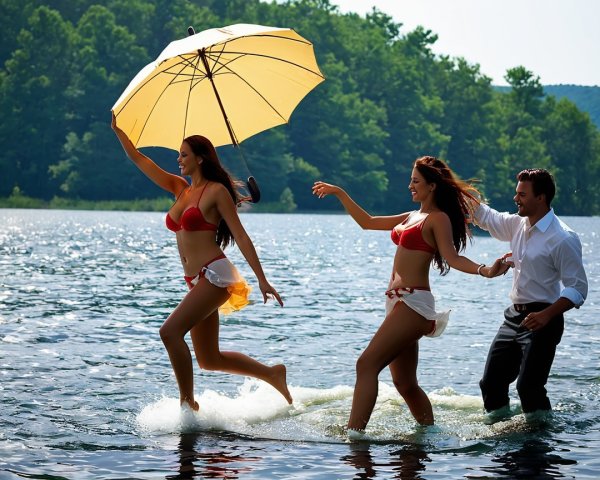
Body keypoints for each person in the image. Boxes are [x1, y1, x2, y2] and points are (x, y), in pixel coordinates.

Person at [312, 156, 507, 438]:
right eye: (411, 180)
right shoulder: (411, 216)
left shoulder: (437, 219)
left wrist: (485, 270)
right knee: (404, 383)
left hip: (413, 303)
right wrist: (340, 192)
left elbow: (452, 258)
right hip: (396, 303)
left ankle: (353, 436)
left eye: (416, 181)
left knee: (366, 364)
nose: (410, 185)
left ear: (432, 185)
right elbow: (366, 222)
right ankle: (431, 432)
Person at [111, 113, 292, 411]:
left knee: (169, 332)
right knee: (209, 359)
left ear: (201, 158)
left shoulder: (216, 192)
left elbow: (242, 237)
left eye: (184, 154)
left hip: (215, 275)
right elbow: (139, 159)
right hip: (195, 280)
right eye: (179, 155)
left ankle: (187, 404)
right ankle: (272, 373)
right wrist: (120, 131)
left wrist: (262, 278)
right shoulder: (180, 188)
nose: (179, 160)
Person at [472, 168, 587, 424]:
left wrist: (546, 315)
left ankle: (537, 444)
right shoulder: (517, 224)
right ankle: (501, 436)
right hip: (513, 317)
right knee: (490, 383)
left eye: (522, 195)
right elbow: (486, 216)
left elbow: (578, 288)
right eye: (517, 193)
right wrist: (456, 188)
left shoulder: (563, 237)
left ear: (541, 198)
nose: (516, 199)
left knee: (529, 388)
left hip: (545, 319)